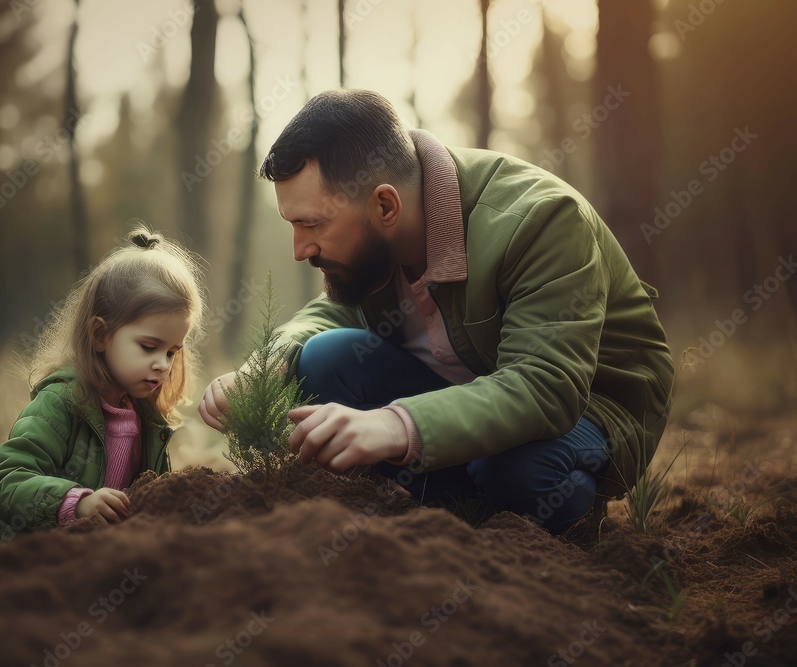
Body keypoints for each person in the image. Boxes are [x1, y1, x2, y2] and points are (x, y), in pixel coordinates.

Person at [199, 89, 675, 536]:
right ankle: (456, 498)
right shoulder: (381, 238)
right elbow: (331, 312)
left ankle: (505, 500)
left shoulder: (542, 220)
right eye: (293, 224)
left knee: (518, 471)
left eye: (313, 223)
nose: (301, 249)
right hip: (461, 390)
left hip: (590, 407)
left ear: (385, 204)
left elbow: (546, 385)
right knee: (320, 357)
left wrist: (394, 425)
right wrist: (264, 366)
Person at [0, 229, 206, 545]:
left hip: (92, 560)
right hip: (26, 557)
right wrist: (76, 502)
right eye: (148, 346)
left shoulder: (148, 419)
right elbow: (6, 483)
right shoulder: (59, 403)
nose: (163, 364)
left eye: (171, 352)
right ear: (100, 335)